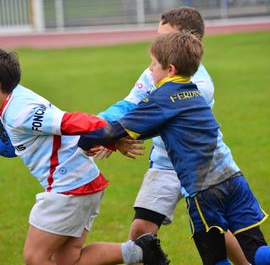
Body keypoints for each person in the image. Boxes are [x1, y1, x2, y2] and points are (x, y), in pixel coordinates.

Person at [78, 31, 270, 265]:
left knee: (215, 258)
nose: (150, 69)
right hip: (234, 180)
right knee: (257, 251)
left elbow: (117, 128)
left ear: (170, 69)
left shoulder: (163, 98)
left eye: (154, 64)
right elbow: (155, 127)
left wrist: (85, 140)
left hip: (204, 192)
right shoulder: (193, 92)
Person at [0, 48, 169, 265]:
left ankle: (143, 252)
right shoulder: (15, 98)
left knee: (35, 257)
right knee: (67, 260)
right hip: (83, 181)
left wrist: (113, 139)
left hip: (68, 186)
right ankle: (142, 252)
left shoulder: (20, 113)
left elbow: (74, 121)